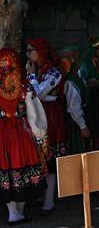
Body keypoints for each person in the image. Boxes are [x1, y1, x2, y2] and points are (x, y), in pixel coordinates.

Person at [0, 48, 47, 224]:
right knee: (21, 165)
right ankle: (18, 212)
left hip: (1, 134)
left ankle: (13, 213)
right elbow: (34, 112)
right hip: (20, 132)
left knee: (6, 169)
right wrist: (39, 133)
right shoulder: (23, 85)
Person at [25, 39, 67, 215]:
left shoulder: (54, 73)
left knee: (49, 158)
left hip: (50, 117)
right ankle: (43, 195)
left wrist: (32, 75)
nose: (27, 54)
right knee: (40, 157)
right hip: (38, 116)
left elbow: (39, 94)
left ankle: (49, 201)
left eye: (30, 50)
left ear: (40, 51)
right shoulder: (37, 70)